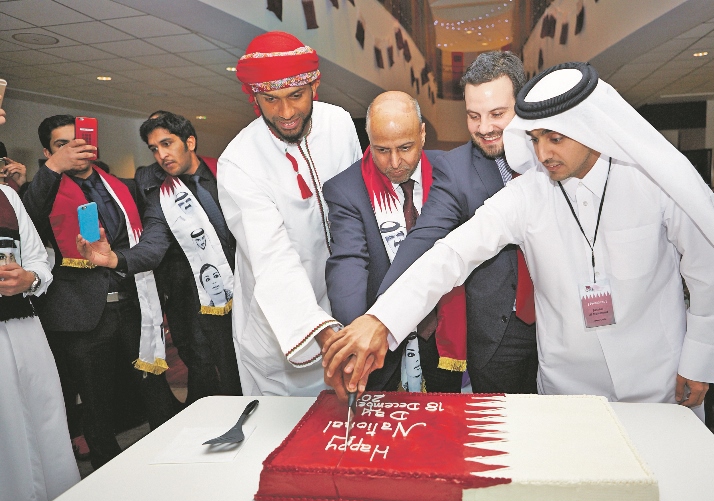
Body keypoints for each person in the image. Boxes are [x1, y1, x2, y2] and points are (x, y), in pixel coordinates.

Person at [323, 63, 714, 421]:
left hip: (659, 377)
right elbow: (450, 256)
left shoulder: (651, 184)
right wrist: (382, 320)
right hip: (567, 387)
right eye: (535, 139)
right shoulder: (530, 194)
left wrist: (700, 359)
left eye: (556, 138)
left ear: (591, 129)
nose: (544, 153)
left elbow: (709, 272)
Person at [337, 51, 538, 394]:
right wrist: (379, 318)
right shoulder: (456, 170)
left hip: (564, 321)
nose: (485, 128)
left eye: (497, 114)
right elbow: (424, 244)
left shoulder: (552, 152)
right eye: (473, 116)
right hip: (501, 334)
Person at [23, 114, 176, 468]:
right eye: (63, 145)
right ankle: (108, 472)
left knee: (153, 388)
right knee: (96, 402)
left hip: (134, 305)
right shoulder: (41, 191)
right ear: (48, 152)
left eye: (80, 141)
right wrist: (52, 169)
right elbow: (28, 219)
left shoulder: (120, 185)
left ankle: (169, 459)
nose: (75, 150)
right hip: (80, 315)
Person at [217, 31, 362, 396]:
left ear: (314, 85)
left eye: (295, 96)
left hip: (345, 310)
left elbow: (360, 214)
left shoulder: (340, 124)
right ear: (255, 97)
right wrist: (324, 334)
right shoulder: (239, 161)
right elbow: (271, 257)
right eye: (271, 99)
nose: (285, 113)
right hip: (283, 331)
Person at [77, 112, 241, 404]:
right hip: (191, 295)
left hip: (242, 285)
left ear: (190, 141)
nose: (162, 155)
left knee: (243, 360)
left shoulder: (227, 174)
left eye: (167, 143)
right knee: (202, 363)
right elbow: (153, 244)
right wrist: (115, 259)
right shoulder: (159, 193)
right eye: (154, 148)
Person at [324, 91, 462, 393]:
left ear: (423, 134)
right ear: (368, 139)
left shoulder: (452, 172)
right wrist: (355, 336)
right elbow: (349, 263)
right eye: (382, 150)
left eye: (405, 147)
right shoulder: (346, 190)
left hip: (447, 332)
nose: (395, 162)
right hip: (382, 344)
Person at [0, 110, 80, 501]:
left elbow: (39, 256)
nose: (2, 115)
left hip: (24, 327)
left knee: (45, 418)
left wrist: (29, 277)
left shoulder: (8, 196)